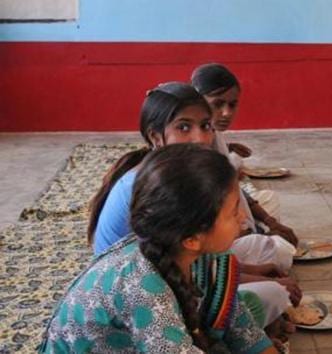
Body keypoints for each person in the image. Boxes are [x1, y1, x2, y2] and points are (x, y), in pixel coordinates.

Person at [87, 82, 300, 345]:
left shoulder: (183, 178)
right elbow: (173, 269)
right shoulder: (156, 190)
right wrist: (256, 278)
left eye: (205, 126)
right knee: (269, 295)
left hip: (176, 264)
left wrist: (250, 270)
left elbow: (235, 315)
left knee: (255, 265)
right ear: (155, 137)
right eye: (184, 127)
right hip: (149, 283)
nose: (200, 138)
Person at [40, 144, 277, 353]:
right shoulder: (142, 287)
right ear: (192, 238)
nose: (244, 217)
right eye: (234, 210)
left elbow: (243, 330)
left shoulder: (200, 254)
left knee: (244, 307)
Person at [191, 63, 298, 246]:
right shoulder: (191, 149)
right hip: (206, 232)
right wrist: (250, 232)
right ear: (198, 102)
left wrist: (270, 222)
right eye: (217, 104)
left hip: (229, 216)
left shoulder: (215, 136)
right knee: (278, 251)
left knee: (269, 198)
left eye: (232, 105)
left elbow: (236, 191)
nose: (227, 113)